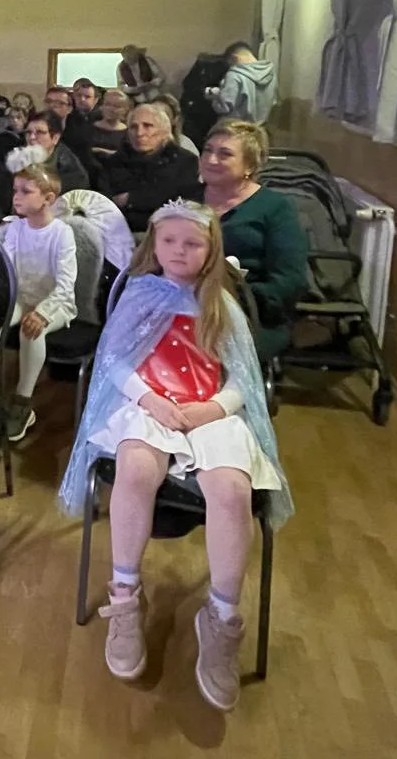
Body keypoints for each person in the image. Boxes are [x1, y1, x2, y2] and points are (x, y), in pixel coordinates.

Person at [58, 199, 292, 712]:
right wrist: (150, 400)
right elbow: (115, 361)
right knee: (136, 469)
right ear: (154, 245)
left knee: (231, 491)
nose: (179, 251)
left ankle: (221, 617)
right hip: (149, 406)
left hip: (209, 411)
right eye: (169, 241)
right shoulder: (140, 294)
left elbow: (243, 379)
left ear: (211, 250)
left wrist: (214, 407)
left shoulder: (220, 304)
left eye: (192, 243)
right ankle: (125, 597)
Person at [198, 121, 308, 363]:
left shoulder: (276, 208)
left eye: (224, 154)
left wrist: (239, 298)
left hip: (249, 312)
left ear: (249, 165)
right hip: (182, 305)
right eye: (208, 150)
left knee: (203, 351)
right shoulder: (185, 198)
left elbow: (290, 280)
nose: (211, 159)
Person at [0, 150, 77, 443]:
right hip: (21, 297)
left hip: (55, 303)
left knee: (32, 330)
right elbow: (6, 271)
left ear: (48, 198)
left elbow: (65, 284)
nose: (16, 197)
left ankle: (23, 400)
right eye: (15, 190)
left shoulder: (61, 233)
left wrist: (43, 311)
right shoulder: (15, 228)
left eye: (25, 191)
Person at [97, 101, 203, 232]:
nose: (139, 133)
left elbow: (181, 204)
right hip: (118, 231)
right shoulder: (113, 162)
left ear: (164, 131)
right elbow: (105, 204)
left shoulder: (185, 161)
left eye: (148, 126)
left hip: (167, 232)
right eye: (133, 127)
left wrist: (131, 199)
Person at [0, 111, 89, 225]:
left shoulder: (71, 170)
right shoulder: (15, 160)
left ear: (55, 138)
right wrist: (0, 224)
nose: (32, 138)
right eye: (28, 132)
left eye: (40, 132)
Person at [209, 42, 277, 126]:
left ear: (234, 58)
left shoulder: (234, 75)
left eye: (230, 64)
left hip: (237, 128)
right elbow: (273, 101)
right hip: (260, 128)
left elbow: (224, 107)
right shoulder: (270, 73)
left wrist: (215, 98)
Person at [90, 88, 131, 154]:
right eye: (107, 104)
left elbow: (128, 155)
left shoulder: (129, 134)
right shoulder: (89, 128)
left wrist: (101, 151)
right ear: (102, 106)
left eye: (116, 106)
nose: (111, 109)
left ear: (125, 110)